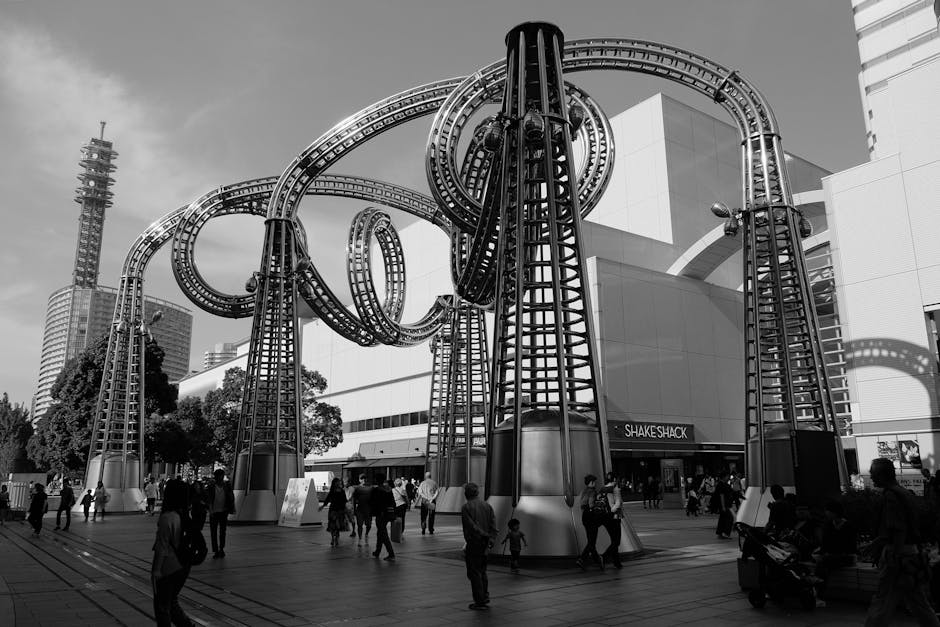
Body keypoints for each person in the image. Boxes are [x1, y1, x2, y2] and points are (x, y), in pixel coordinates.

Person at [865, 457, 939, 626]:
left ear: (882, 475)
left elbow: (898, 529)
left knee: (883, 600)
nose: (871, 476)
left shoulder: (891, 496)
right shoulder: (904, 493)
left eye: (873, 473)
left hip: (897, 555)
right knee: (917, 601)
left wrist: (893, 555)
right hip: (910, 554)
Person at [151, 478, 195, 627]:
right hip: (183, 564)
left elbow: (161, 547)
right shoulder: (184, 516)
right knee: (172, 601)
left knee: (162, 606)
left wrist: (156, 570)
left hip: (168, 566)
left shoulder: (167, 517)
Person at [813, 498, 858, 605]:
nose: (826, 513)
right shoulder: (828, 525)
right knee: (823, 563)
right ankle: (818, 592)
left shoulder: (848, 526)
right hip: (832, 556)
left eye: (828, 510)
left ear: (834, 512)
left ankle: (818, 593)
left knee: (823, 564)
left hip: (846, 556)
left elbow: (850, 546)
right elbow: (825, 543)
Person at [461, 482, 497, 610]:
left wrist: (483, 535)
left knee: (474, 572)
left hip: (474, 542)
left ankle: (479, 600)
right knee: (482, 571)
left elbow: (471, 526)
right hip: (485, 544)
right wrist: (491, 539)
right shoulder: (487, 506)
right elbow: (494, 525)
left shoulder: (466, 507)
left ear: (466, 494)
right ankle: (485, 597)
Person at [576, 474, 604, 570]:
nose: (595, 483)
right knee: (592, 541)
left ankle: (597, 560)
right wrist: (598, 501)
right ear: (591, 482)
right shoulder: (592, 491)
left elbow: (581, 504)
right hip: (591, 516)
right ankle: (582, 559)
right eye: (594, 482)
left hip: (585, 516)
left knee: (590, 540)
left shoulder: (583, 491)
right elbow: (591, 504)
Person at [598, 472, 624, 569]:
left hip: (605, 518)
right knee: (616, 541)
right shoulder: (615, 488)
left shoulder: (602, 488)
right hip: (614, 517)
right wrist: (613, 510)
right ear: (614, 479)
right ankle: (603, 556)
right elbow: (617, 503)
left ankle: (616, 562)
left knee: (613, 540)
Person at [208, 469, 235, 559]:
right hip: (214, 512)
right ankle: (216, 550)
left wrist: (232, 508)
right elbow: (209, 499)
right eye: (219, 476)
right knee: (214, 532)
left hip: (224, 511)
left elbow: (231, 497)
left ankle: (221, 549)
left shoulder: (227, 486)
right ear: (216, 477)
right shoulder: (211, 486)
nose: (221, 478)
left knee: (222, 532)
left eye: (222, 476)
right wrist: (210, 510)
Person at [368, 474, 396, 561]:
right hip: (388, 513)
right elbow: (393, 502)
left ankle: (391, 553)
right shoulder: (388, 489)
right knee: (380, 532)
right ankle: (377, 551)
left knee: (383, 533)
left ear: (377, 480)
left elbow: (372, 502)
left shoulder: (376, 490)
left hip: (380, 514)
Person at [318, 477, 348, 547]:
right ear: (334, 483)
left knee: (338, 526)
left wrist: (345, 509)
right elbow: (327, 499)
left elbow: (344, 500)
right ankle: (332, 538)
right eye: (337, 482)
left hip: (340, 510)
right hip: (333, 510)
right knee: (332, 525)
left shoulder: (342, 491)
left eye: (339, 482)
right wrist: (322, 506)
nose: (339, 483)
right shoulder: (332, 491)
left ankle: (336, 538)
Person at [352, 474, 373, 545]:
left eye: (364, 478)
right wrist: (354, 509)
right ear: (359, 480)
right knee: (360, 525)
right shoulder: (357, 488)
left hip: (368, 509)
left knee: (369, 525)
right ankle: (360, 538)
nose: (363, 480)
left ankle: (366, 534)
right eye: (362, 478)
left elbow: (374, 499)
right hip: (360, 509)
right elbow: (354, 500)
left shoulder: (370, 488)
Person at [714, 472, 734, 539]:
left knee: (722, 518)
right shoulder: (721, 485)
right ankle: (726, 533)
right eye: (727, 476)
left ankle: (720, 533)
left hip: (725, 504)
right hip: (723, 505)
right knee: (730, 518)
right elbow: (721, 496)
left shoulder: (724, 484)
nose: (728, 478)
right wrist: (723, 507)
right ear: (724, 477)